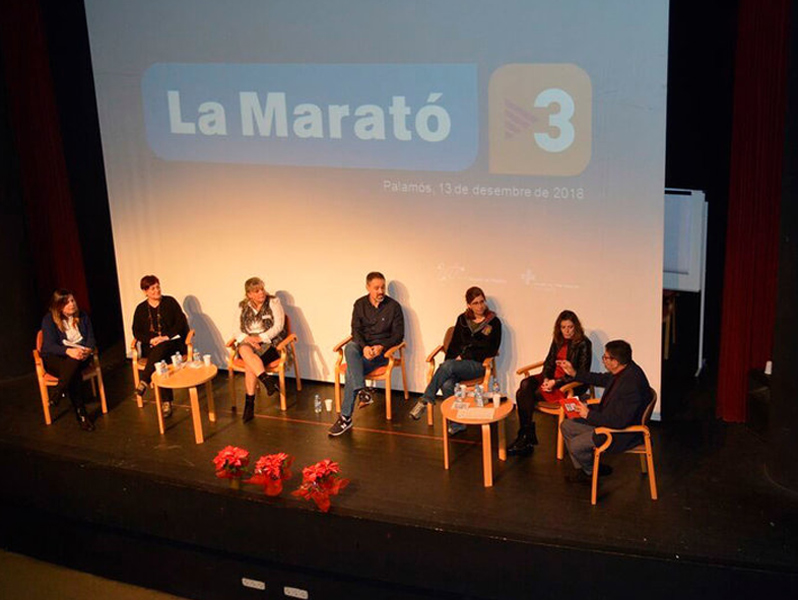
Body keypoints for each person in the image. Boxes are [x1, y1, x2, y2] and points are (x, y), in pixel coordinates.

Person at [409, 286, 502, 436]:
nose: (480, 306)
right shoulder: (462, 319)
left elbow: (491, 349)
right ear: (469, 305)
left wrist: (464, 357)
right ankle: (457, 424)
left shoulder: (494, 322)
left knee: (449, 366)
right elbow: (454, 344)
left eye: (482, 302)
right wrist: (452, 363)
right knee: (447, 383)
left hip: (478, 365)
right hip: (457, 366)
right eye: (476, 303)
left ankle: (425, 399)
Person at [558, 339, 651, 483]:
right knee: (566, 425)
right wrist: (574, 372)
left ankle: (591, 470)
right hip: (608, 419)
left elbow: (619, 422)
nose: (603, 361)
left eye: (606, 357)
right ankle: (589, 469)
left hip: (621, 433)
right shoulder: (624, 370)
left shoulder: (631, 383)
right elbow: (600, 378)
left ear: (615, 362)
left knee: (575, 445)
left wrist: (588, 414)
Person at [328, 272, 404, 437]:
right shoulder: (360, 304)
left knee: (350, 372)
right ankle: (362, 391)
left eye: (382, 287)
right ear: (368, 287)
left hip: (381, 353)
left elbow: (399, 335)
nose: (380, 291)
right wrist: (363, 347)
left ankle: (346, 417)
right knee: (350, 347)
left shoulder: (394, 307)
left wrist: (381, 347)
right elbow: (355, 330)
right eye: (376, 288)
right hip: (363, 350)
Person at [508, 310, 592, 456]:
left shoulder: (584, 343)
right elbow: (548, 363)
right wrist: (546, 379)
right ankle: (526, 435)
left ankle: (525, 436)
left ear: (576, 327)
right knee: (525, 384)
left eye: (570, 327)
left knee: (523, 394)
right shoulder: (558, 340)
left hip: (568, 382)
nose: (567, 331)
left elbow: (581, 373)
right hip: (553, 378)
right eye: (563, 327)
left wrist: (555, 382)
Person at [132, 275, 189, 418]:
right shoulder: (140, 309)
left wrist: (164, 337)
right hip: (152, 346)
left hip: (172, 344)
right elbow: (136, 331)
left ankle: (144, 380)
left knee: (162, 349)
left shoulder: (170, 302)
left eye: (158, 287)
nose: (156, 291)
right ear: (145, 291)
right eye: (152, 288)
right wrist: (151, 340)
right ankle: (166, 401)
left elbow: (180, 323)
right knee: (159, 358)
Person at [40, 289, 97, 431]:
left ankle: (59, 391)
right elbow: (48, 346)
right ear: (58, 305)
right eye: (67, 302)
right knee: (73, 368)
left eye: (73, 301)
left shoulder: (82, 316)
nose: (72, 304)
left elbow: (91, 339)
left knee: (74, 362)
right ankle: (82, 414)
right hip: (56, 359)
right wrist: (68, 351)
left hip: (80, 356)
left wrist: (87, 350)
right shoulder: (49, 319)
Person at [231, 277, 283, 423]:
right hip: (249, 341)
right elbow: (235, 329)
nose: (261, 293)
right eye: (257, 291)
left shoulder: (273, 302)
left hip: (270, 342)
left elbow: (278, 326)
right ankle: (266, 380)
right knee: (245, 350)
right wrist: (246, 338)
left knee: (249, 364)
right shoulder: (242, 306)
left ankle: (249, 405)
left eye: (262, 289)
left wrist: (260, 338)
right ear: (249, 294)